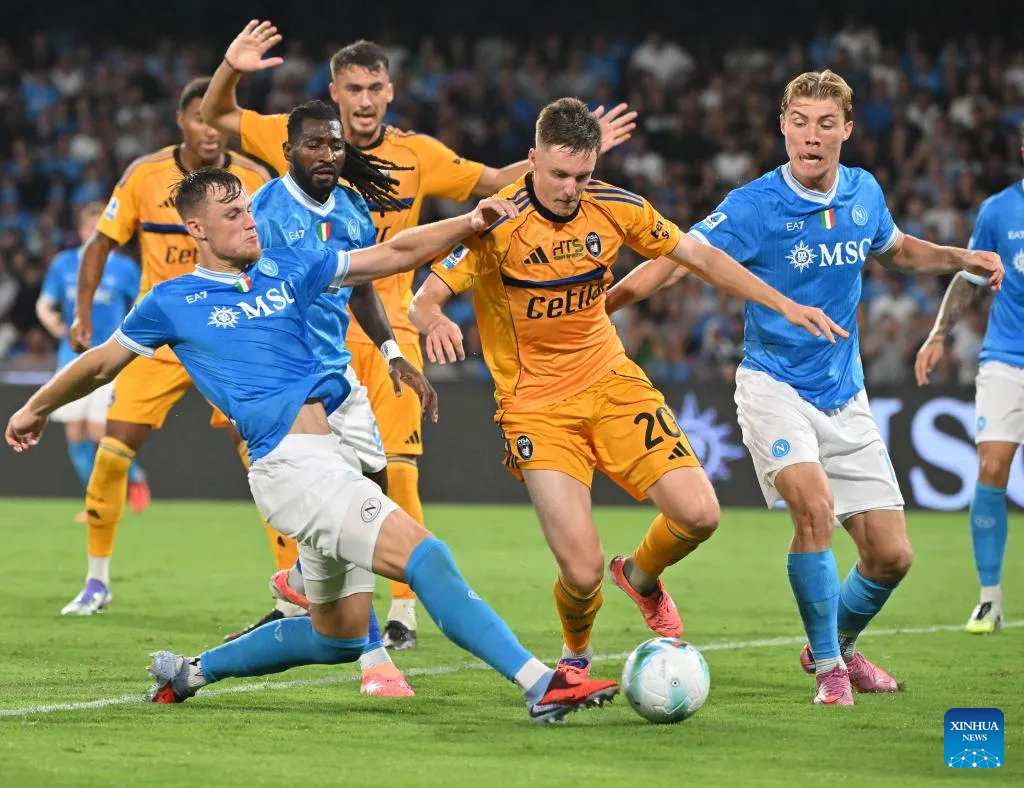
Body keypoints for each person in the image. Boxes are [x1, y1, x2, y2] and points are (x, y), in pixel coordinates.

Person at [6, 168, 619, 724]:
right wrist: (36, 407)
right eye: (232, 215)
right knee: (427, 557)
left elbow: (391, 254)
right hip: (290, 469)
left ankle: (189, 673)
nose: (250, 222)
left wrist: (469, 220)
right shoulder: (172, 302)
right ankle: (541, 683)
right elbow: (100, 363)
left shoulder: (286, 266)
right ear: (197, 229)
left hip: (324, 461)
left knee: (339, 635)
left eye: (249, 210)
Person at [200, 20, 637, 649]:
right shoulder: (296, 136)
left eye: (374, 87)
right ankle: (301, 594)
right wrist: (231, 66)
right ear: (334, 92)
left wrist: (565, 160)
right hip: (302, 335)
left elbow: (496, 183)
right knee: (298, 467)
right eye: (353, 88)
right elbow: (217, 114)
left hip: (388, 324)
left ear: (391, 91)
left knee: (396, 469)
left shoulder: (419, 155)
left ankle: (401, 610)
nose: (365, 100)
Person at [408, 97, 845, 680]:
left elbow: (700, 257)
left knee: (700, 514)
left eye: (582, 176)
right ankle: (576, 652)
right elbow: (424, 298)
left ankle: (640, 575)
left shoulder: (617, 208)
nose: (570, 189)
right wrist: (435, 320)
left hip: (612, 382)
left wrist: (782, 303)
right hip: (536, 407)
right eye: (559, 175)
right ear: (532, 160)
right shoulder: (497, 222)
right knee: (581, 571)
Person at [604, 70, 1003, 705]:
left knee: (891, 557)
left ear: (847, 130)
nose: (811, 136)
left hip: (844, 393)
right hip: (774, 387)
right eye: (799, 122)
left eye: (825, 124)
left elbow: (897, 249)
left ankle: (837, 644)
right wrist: (603, 304)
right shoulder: (754, 205)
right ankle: (830, 670)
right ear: (783, 129)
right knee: (813, 508)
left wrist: (961, 257)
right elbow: (677, 259)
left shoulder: (864, 191)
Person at [235, 98, 438, 697]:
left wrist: (393, 352)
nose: (327, 154)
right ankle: (375, 658)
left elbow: (362, 286)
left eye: (335, 145)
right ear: (288, 150)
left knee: (375, 487)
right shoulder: (264, 213)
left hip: (339, 377)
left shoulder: (351, 208)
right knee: (346, 510)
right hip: (289, 387)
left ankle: (303, 580)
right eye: (314, 144)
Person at [61, 77, 272, 616]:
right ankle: (96, 580)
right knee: (112, 454)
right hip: (160, 335)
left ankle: (294, 589)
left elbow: (277, 253)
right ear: (181, 121)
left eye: (216, 118)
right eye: (198, 118)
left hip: (230, 330)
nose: (209, 129)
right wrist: (83, 313)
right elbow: (100, 245)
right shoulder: (145, 175)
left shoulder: (254, 178)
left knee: (268, 461)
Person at [915, 124, 1024, 634]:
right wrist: (938, 334)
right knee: (992, 467)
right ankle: (989, 599)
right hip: (1006, 357)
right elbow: (970, 276)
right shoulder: (998, 210)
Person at [36, 202, 148, 523]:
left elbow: (142, 302)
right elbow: (45, 303)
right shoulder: (64, 263)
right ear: (81, 230)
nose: (96, 234)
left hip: (108, 360)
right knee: (75, 432)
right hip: (70, 359)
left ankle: (133, 478)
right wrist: (56, 325)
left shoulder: (124, 268)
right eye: (90, 228)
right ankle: (93, 501)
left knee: (99, 431)